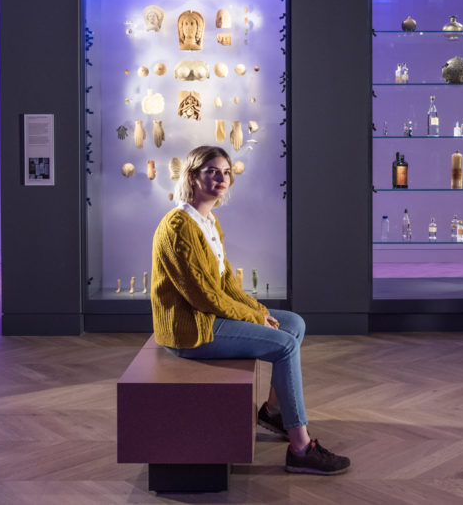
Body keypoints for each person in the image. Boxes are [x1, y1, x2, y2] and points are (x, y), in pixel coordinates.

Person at [150, 145, 351, 475]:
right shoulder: (178, 226)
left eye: (226, 172)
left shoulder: (207, 221)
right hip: (191, 329)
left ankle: (273, 412)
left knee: (293, 324)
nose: (222, 178)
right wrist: (254, 317)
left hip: (210, 316)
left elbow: (226, 283)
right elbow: (203, 296)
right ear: (192, 176)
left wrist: (259, 310)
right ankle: (301, 449)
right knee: (284, 345)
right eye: (212, 171)